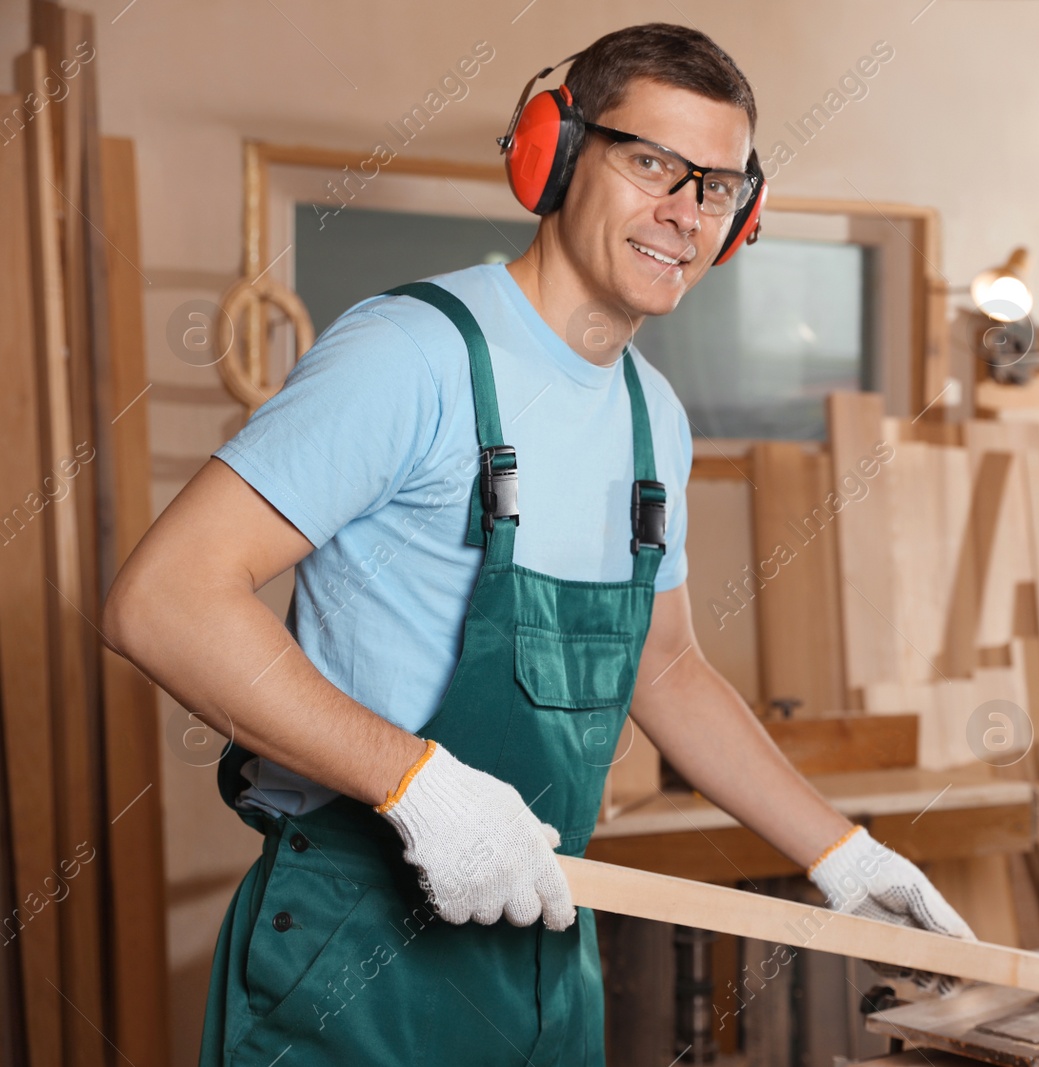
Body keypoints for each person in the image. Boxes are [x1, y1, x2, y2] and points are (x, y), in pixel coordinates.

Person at [105, 24, 972, 1065]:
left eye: (716, 186)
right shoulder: (412, 353)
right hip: (354, 949)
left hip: (548, 939)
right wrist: (411, 781)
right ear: (553, 154)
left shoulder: (656, 416)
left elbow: (670, 666)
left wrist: (839, 850)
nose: (683, 212)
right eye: (650, 162)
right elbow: (163, 598)